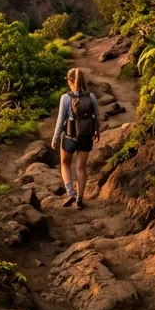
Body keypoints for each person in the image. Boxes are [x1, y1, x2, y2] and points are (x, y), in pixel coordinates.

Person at [50, 67, 101, 208]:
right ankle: (80, 198)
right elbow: (96, 116)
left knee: (65, 164)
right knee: (81, 168)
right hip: (86, 137)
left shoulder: (66, 98)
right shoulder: (91, 96)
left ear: (70, 81)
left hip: (70, 137)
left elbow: (60, 120)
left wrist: (55, 139)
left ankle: (71, 192)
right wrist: (97, 131)